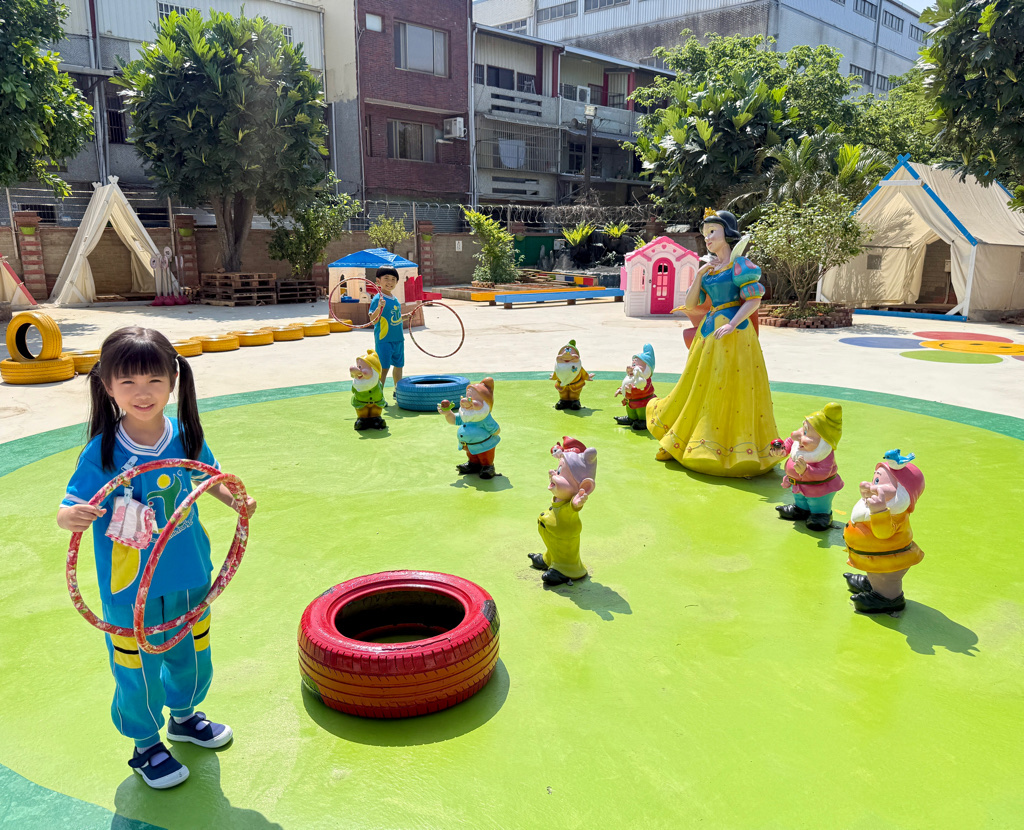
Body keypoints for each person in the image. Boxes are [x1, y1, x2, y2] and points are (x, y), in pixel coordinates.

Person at [56, 327, 256, 790]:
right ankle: (145, 744)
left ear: (173, 381)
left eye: (154, 381)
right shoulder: (102, 451)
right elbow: (70, 506)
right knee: (136, 665)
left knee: (192, 650)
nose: (142, 393)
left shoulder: (184, 435)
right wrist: (71, 517)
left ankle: (184, 716)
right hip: (130, 584)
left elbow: (209, 478)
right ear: (108, 386)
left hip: (189, 570)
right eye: (127, 382)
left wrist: (235, 501)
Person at [646, 209, 781, 477]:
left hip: (735, 336)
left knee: (731, 389)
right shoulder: (708, 269)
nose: (707, 238)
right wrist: (698, 276)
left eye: (712, 232)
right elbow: (690, 304)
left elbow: (754, 299)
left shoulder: (740, 266)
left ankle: (736, 451)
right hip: (708, 335)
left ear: (727, 234)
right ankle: (682, 441)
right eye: (705, 233)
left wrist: (732, 323)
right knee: (698, 387)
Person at [842, 449, 925, 615]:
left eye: (884, 483)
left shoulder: (895, 515)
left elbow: (883, 533)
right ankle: (873, 583)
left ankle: (888, 598)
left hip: (889, 560)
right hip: (876, 558)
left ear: (903, 493)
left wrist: (879, 511)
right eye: (876, 480)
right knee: (878, 573)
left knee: (887, 578)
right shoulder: (880, 504)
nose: (874, 486)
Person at [529, 437, 597, 586]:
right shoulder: (559, 502)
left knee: (564, 551)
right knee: (554, 547)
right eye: (557, 470)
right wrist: (556, 476)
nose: (553, 473)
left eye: (560, 474)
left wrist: (576, 503)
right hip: (554, 541)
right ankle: (549, 559)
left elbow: (574, 507)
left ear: (583, 487)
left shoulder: (569, 508)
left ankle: (564, 569)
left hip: (566, 551)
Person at [770, 403, 844, 531]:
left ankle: (821, 515)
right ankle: (801, 509)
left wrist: (806, 471)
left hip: (819, 488)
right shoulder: (798, 444)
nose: (796, 435)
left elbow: (824, 473)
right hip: (798, 483)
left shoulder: (824, 455)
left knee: (817, 502)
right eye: (802, 429)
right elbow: (790, 441)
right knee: (800, 498)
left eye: (805, 433)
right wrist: (783, 449)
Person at [437, 378, 500, 479]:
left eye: (472, 400)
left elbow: (495, 430)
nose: (466, 402)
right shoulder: (465, 416)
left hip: (484, 444)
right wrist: (448, 413)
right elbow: (454, 420)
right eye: (466, 398)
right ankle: (473, 464)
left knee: (485, 456)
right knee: (471, 455)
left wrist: (495, 431)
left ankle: (487, 467)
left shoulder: (484, 418)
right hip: (468, 444)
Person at [368, 266, 413, 398]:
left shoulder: (395, 299)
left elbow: (395, 318)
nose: (390, 282)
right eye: (386, 278)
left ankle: (397, 392)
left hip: (398, 339)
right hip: (384, 340)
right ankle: (378, 396)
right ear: (378, 281)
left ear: (397, 282)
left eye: (393, 279)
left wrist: (406, 317)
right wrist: (379, 307)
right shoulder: (378, 299)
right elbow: (373, 320)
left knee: (399, 366)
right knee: (384, 368)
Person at [614, 343, 656, 430]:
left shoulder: (645, 380)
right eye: (633, 365)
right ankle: (631, 418)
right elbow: (626, 383)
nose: (634, 368)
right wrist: (621, 389)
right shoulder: (632, 377)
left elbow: (643, 389)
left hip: (642, 401)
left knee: (641, 411)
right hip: (630, 400)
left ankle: (643, 421)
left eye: (638, 366)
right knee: (630, 409)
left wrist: (632, 390)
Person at [550, 340, 595, 410]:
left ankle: (575, 401)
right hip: (562, 385)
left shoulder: (578, 367)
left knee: (574, 394)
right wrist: (553, 377)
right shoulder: (559, 366)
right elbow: (557, 372)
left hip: (575, 385)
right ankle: (563, 401)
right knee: (563, 394)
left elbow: (583, 372)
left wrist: (587, 377)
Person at [349, 348, 386, 431]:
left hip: (376, 402)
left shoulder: (376, 383)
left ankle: (375, 418)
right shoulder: (357, 384)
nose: (358, 371)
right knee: (362, 411)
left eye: (362, 367)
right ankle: (362, 419)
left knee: (376, 410)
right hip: (361, 403)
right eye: (358, 367)